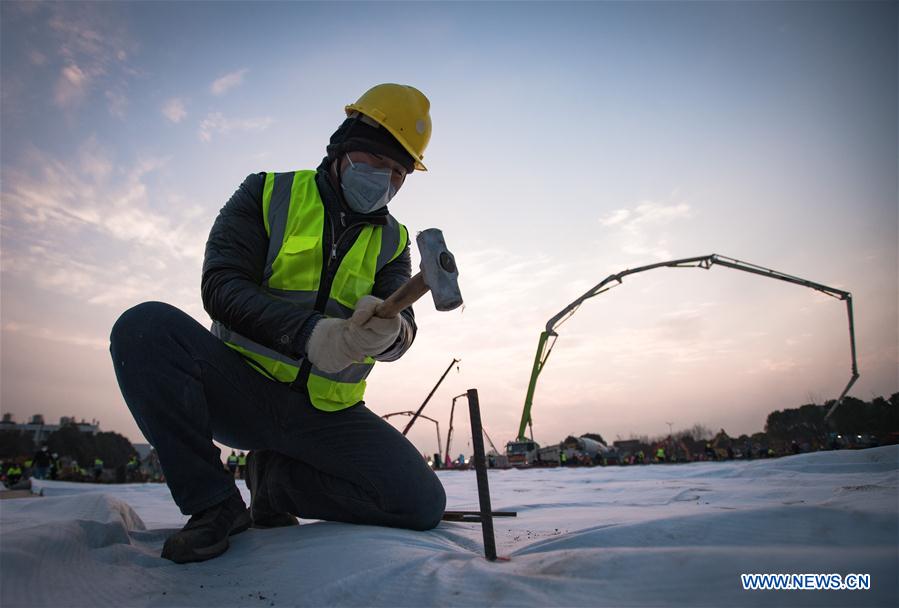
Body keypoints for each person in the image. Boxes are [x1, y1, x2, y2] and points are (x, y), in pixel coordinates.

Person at [109, 83, 445, 564]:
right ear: (344, 147)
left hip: (326, 414)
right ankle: (214, 504)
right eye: (376, 159)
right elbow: (221, 285)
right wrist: (309, 333)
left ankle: (274, 484)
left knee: (420, 503)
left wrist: (392, 335)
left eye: (399, 172)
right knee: (144, 328)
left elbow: (404, 325)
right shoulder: (267, 193)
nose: (385, 179)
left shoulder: (394, 241)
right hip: (241, 389)